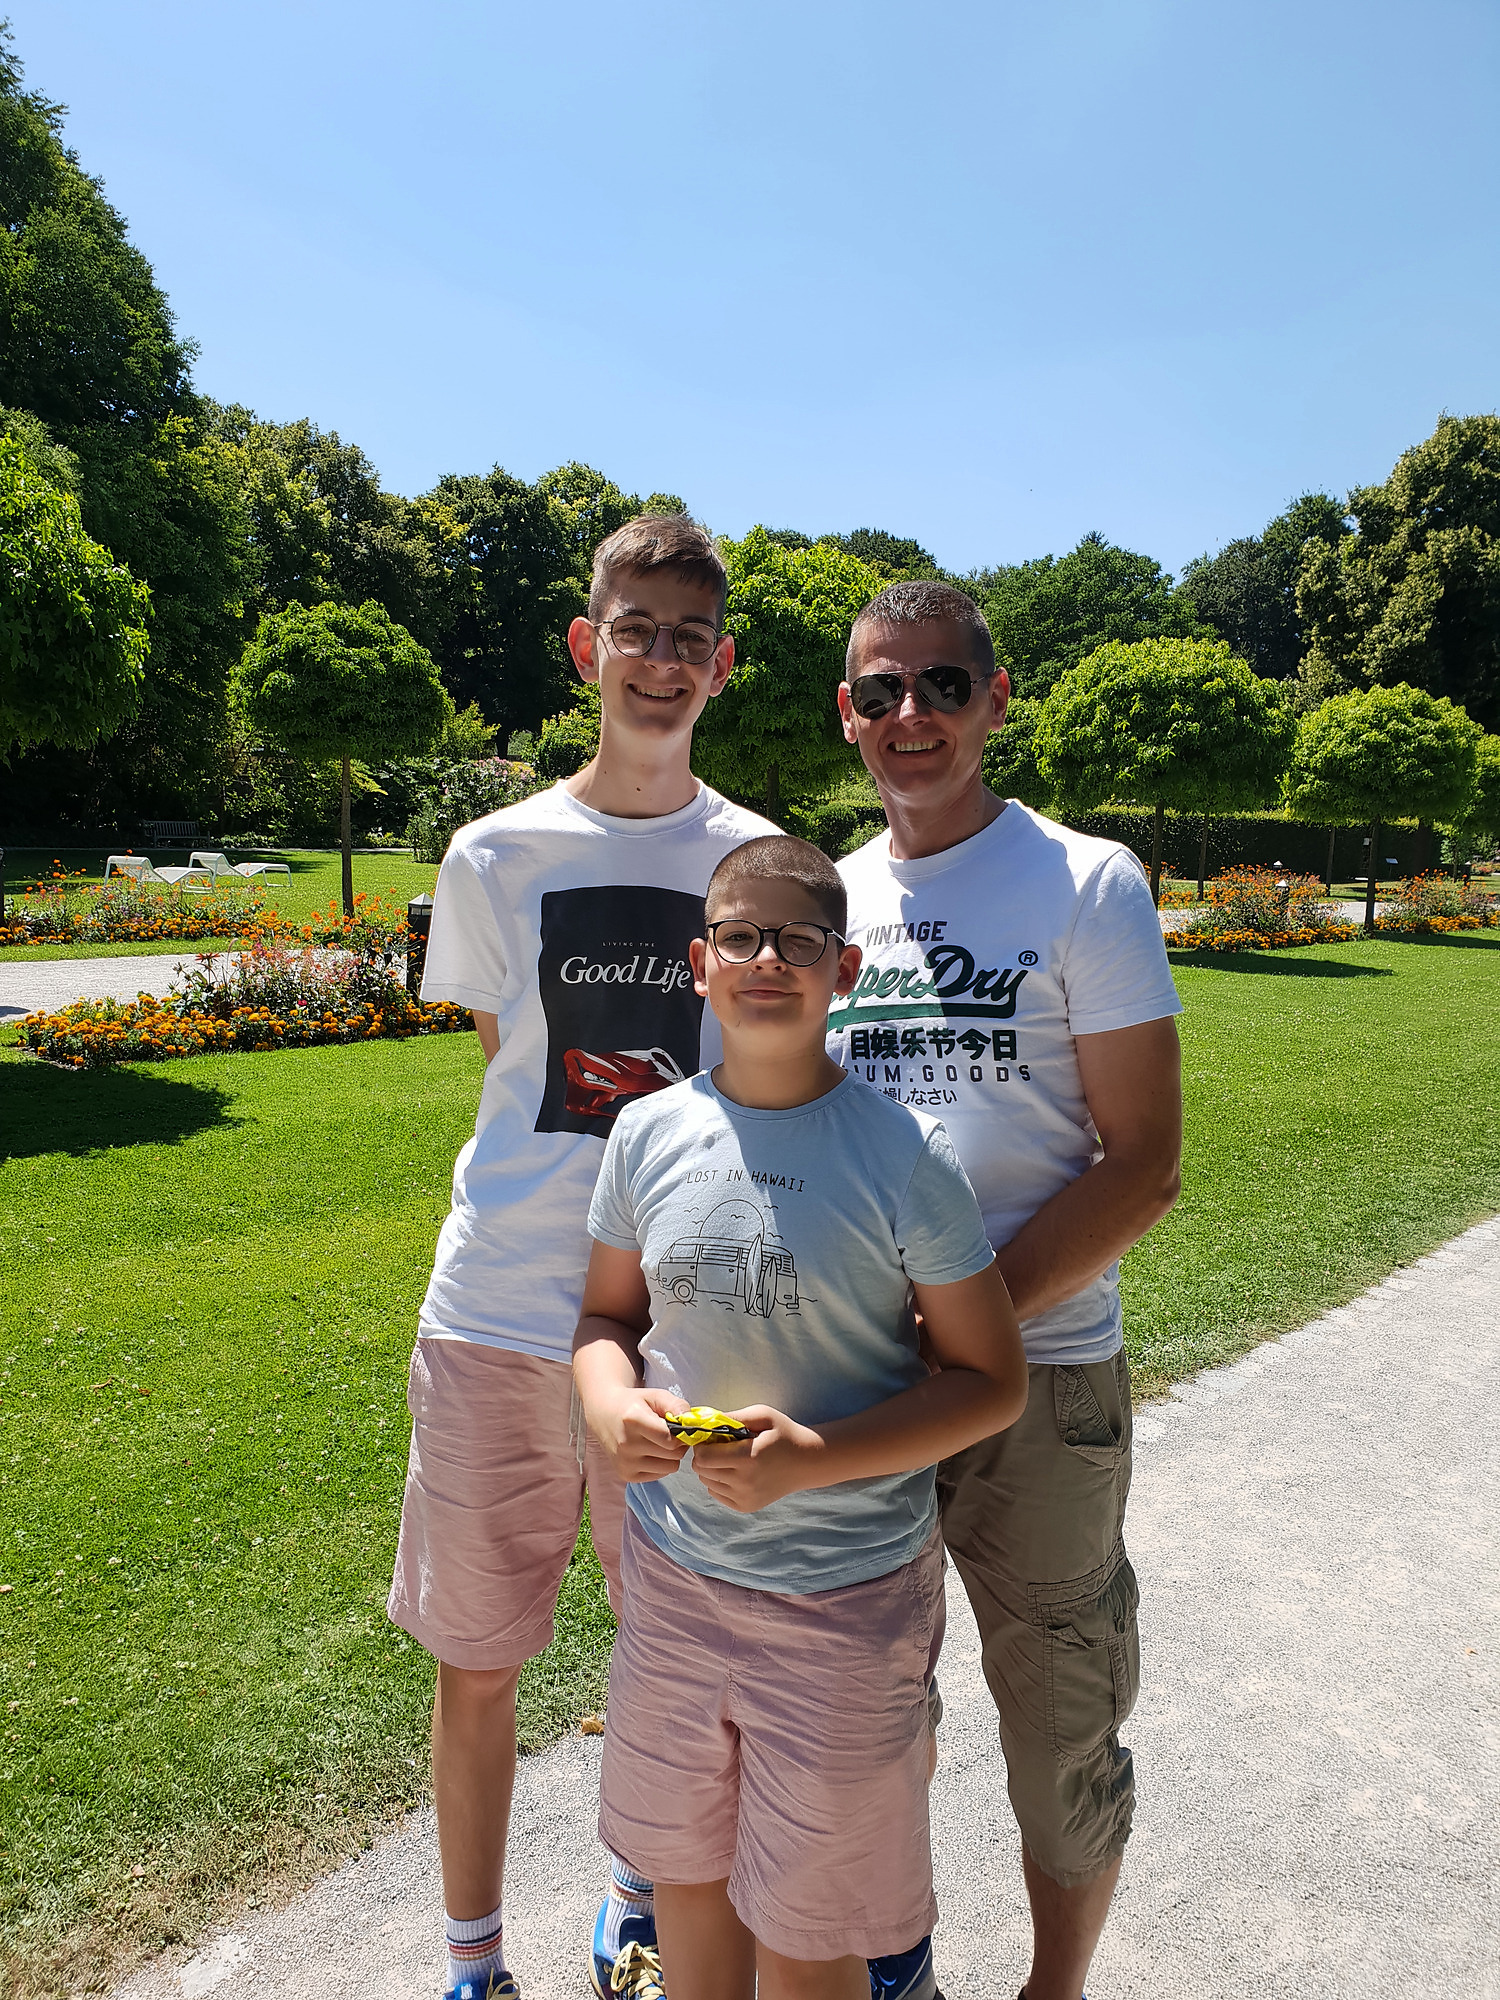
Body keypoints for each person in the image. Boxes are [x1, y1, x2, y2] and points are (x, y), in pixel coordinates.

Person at [387, 515, 779, 2000]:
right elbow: (512, 1064)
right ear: (585, 646)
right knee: (478, 1657)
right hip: (497, 1308)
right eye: (637, 629)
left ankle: (634, 1897)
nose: (661, 660)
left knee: (673, 1650)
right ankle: (473, 1960)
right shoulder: (495, 854)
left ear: (722, 666)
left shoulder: (755, 859)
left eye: (691, 637)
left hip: (681, 1330)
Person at [573, 834, 1029, 2000]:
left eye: (799, 938)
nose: (766, 957)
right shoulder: (647, 1131)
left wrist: (813, 1457)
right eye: (739, 935)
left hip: (845, 1598)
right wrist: (610, 1401)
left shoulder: (904, 1153)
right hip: (678, 1582)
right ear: (700, 963)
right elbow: (606, 1316)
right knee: (686, 1873)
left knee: (807, 1925)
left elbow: (991, 1377)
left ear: (846, 970)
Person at [831, 581, 1184, 2000]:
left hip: (1041, 1381)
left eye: (943, 685)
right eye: (880, 691)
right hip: (860, 1380)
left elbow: (1142, 1165)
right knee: (865, 1714)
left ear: (996, 699)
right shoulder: (833, 897)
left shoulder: (1084, 881)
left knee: (1058, 1728)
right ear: (847, 713)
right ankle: (894, 1967)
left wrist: (965, 1326)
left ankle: (1055, 1987)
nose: (910, 714)